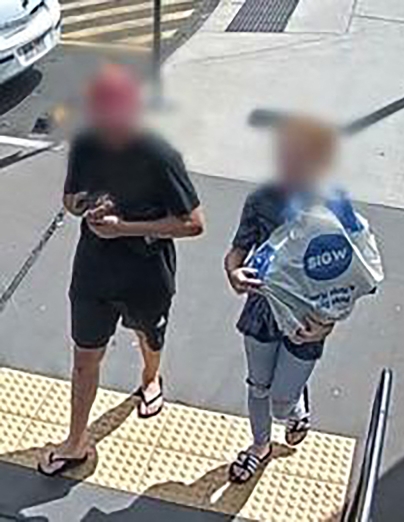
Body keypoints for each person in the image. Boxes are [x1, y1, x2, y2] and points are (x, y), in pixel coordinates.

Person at [40, 64, 205, 476]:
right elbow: (70, 200)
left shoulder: (160, 155)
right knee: (84, 357)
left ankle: (152, 379)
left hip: (147, 272)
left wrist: (125, 228)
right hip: (94, 270)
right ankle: (77, 442)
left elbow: (193, 222)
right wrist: (88, 207)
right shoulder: (86, 144)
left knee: (147, 335)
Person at [224, 117, 346, 483]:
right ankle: (259, 446)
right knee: (257, 384)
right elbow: (237, 250)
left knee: (280, 399)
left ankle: (295, 408)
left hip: (308, 320)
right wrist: (233, 273)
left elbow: (354, 276)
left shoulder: (335, 207)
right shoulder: (261, 199)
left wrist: (328, 322)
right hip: (262, 309)